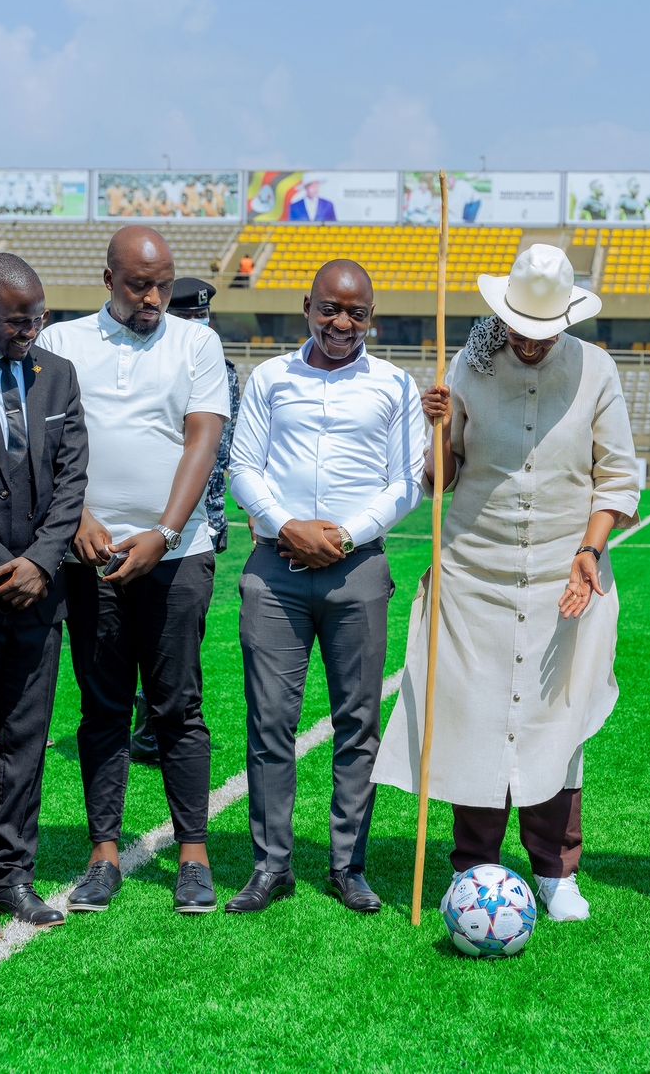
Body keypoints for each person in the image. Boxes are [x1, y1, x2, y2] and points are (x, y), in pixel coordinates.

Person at [373, 244, 640, 921]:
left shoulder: (596, 370)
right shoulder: (469, 363)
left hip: (566, 573)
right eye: (519, 325)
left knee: (557, 721)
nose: (528, 339)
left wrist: (590, 546)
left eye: (543, 329)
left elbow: (617, 476)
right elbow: (443, 476)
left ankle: (554, 869)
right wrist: (439, 428)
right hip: (475, 572)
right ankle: (474, 867)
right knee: (474, 720)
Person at [36, 227, 230, 915]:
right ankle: (103, 852)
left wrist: (166, 531)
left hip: (177, 555)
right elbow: (49, 442)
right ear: (108, 277)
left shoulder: (196, 342)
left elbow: (202, 436)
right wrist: (78, 518)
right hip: (87, 556)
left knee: (178, 705)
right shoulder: (61, 343)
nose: (154, 297)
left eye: (164, 283)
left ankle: (195, 854)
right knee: (103, 707)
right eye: (139, 284)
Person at [227, 259, 425, 915]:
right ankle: (271, 865)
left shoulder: (395, 385)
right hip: (275, 570)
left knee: (358, 722)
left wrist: (344, 534)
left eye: (357, 312)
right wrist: (288, 527)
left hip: (357, 568)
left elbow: (407, 481)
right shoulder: (269, 377)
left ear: (373, 314)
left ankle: (348, 865)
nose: (343, 323)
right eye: (330, 309)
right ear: (307, 305)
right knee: (270, 722)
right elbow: (242, 466)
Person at [0, 255, 88, 936]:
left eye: (38, 317)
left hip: (38, 597)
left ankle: (10, 877)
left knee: (25, 743)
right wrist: (5, 566)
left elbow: (72, 477)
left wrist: (40, 562)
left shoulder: (58, 374)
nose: (32, 329)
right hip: (1, 581)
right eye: (17, 319)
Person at [130, 277, 241, 767]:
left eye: (203, 317)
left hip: (201, 523)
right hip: (151, 516)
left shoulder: (224, 369)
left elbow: (221, 450)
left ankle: (157, 728)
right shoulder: (153, 360)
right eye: (189, 316)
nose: (198, 325)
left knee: (179, 637)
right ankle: (148, 728)